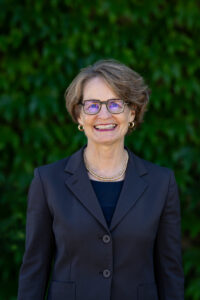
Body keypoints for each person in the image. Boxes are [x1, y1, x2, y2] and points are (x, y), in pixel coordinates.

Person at [17, 59, 184, 300]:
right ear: (79, 116)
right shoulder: (47, 181)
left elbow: (170, 274)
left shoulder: (162, 183)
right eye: (93, 105)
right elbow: (34, 271)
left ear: (132, 113)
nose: (104, 115)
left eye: (115, 104)